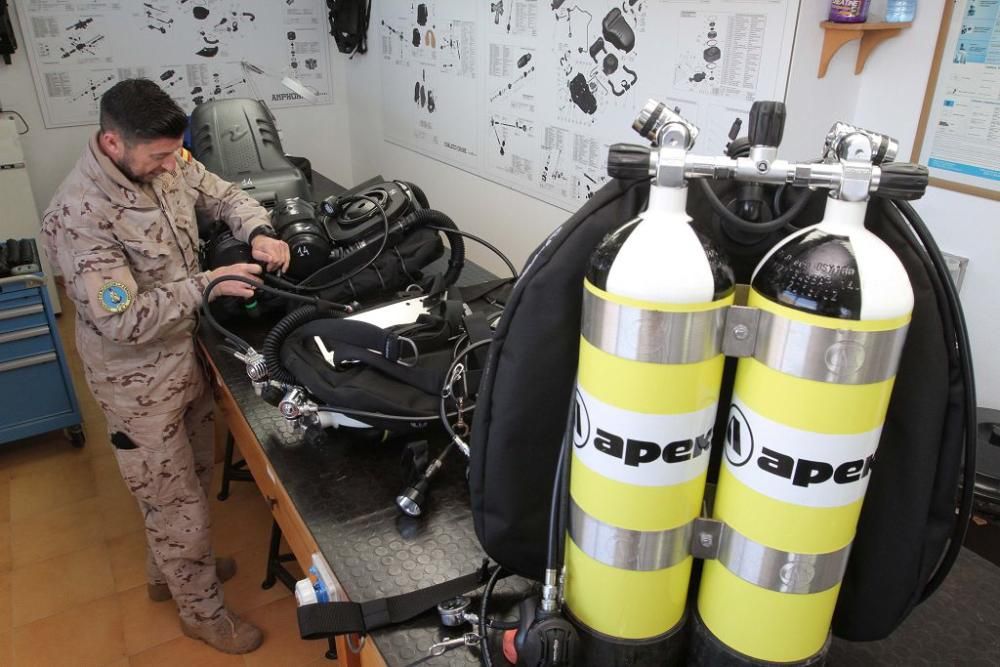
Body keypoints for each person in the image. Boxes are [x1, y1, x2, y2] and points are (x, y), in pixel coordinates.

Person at [40, 79, 290, 655]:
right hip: (137, 382)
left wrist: (258, 229)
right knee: (174, 506)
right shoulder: (79, 217)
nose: (168, 166)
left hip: (185, 358)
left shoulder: (166, 159)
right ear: (111, 143)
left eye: (172, 154)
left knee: (191, 479)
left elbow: (224, 194)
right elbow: (121, 319)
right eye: (156, 157)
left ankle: (167, 574)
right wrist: (210, 283)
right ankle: (201, 613)